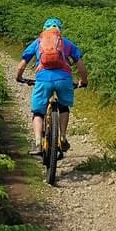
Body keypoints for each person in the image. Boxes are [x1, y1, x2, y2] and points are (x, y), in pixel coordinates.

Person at [15, 17, 88, 156]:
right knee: (63, 107)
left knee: (38, 112)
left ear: (44, 30)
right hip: (64, 79)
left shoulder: (37, 42)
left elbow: (22, 65)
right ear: (59, 31)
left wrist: (19, 78)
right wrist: (83, 81)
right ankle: (62, 137)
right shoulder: (66, 44)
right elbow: (81, 67)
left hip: (43, 79)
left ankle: (37, 142)